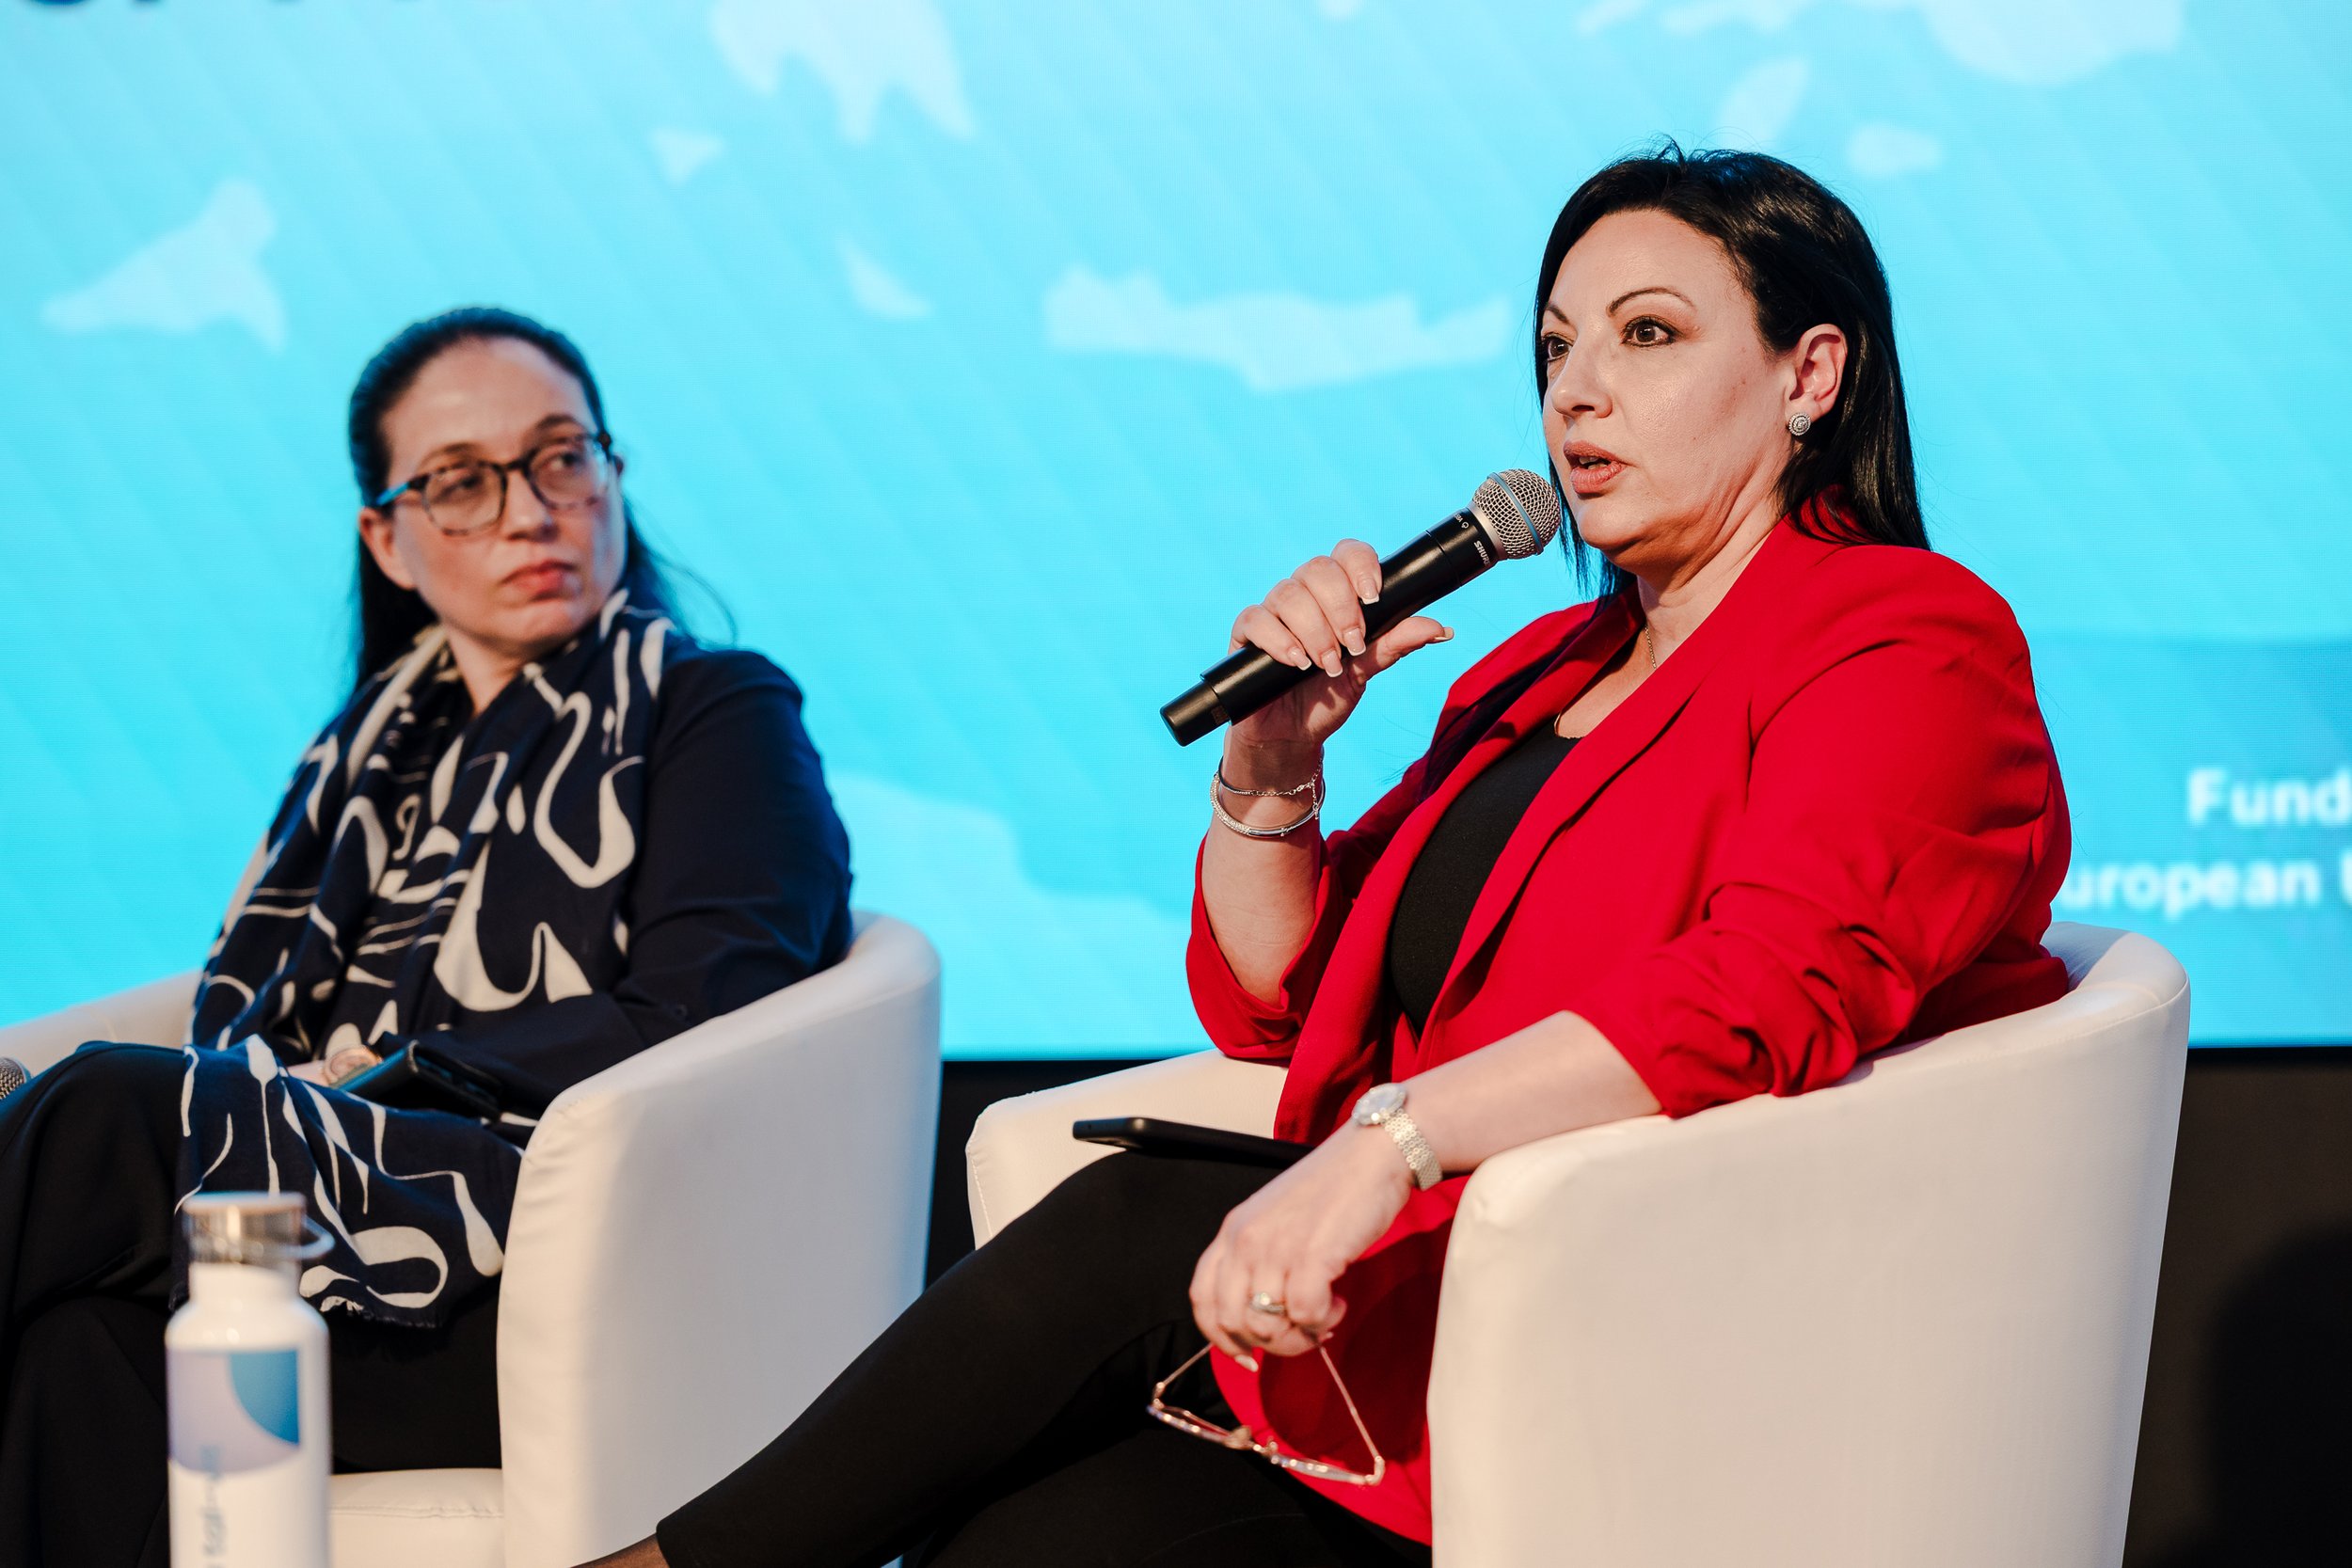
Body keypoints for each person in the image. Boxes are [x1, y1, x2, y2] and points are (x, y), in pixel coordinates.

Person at [596, 143, 2071, 1568]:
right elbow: (1284, 1001)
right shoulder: (1548, 666)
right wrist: (1274, 765)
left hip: (1649, 1326)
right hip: (1399, 1329)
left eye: (1650, 335)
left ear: (1810, 374)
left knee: (1136, 1217)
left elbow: (1767, 986)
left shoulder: (1907, 639)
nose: (1580, 393)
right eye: (1557, 347)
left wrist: (1390, 1145)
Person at [0, 308, 854, 1566]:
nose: (528, 511)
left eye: (563, 457)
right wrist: (299, 1107)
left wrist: (367, 1095)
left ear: (611, 475)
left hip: (535, 1280)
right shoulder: (358, 758)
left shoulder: (714, 710)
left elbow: (697, 1017)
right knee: (78, 1346)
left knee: (107, 1114)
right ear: (387, 541)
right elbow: (250, 1015)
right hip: (310, 1261)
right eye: (461, 484)